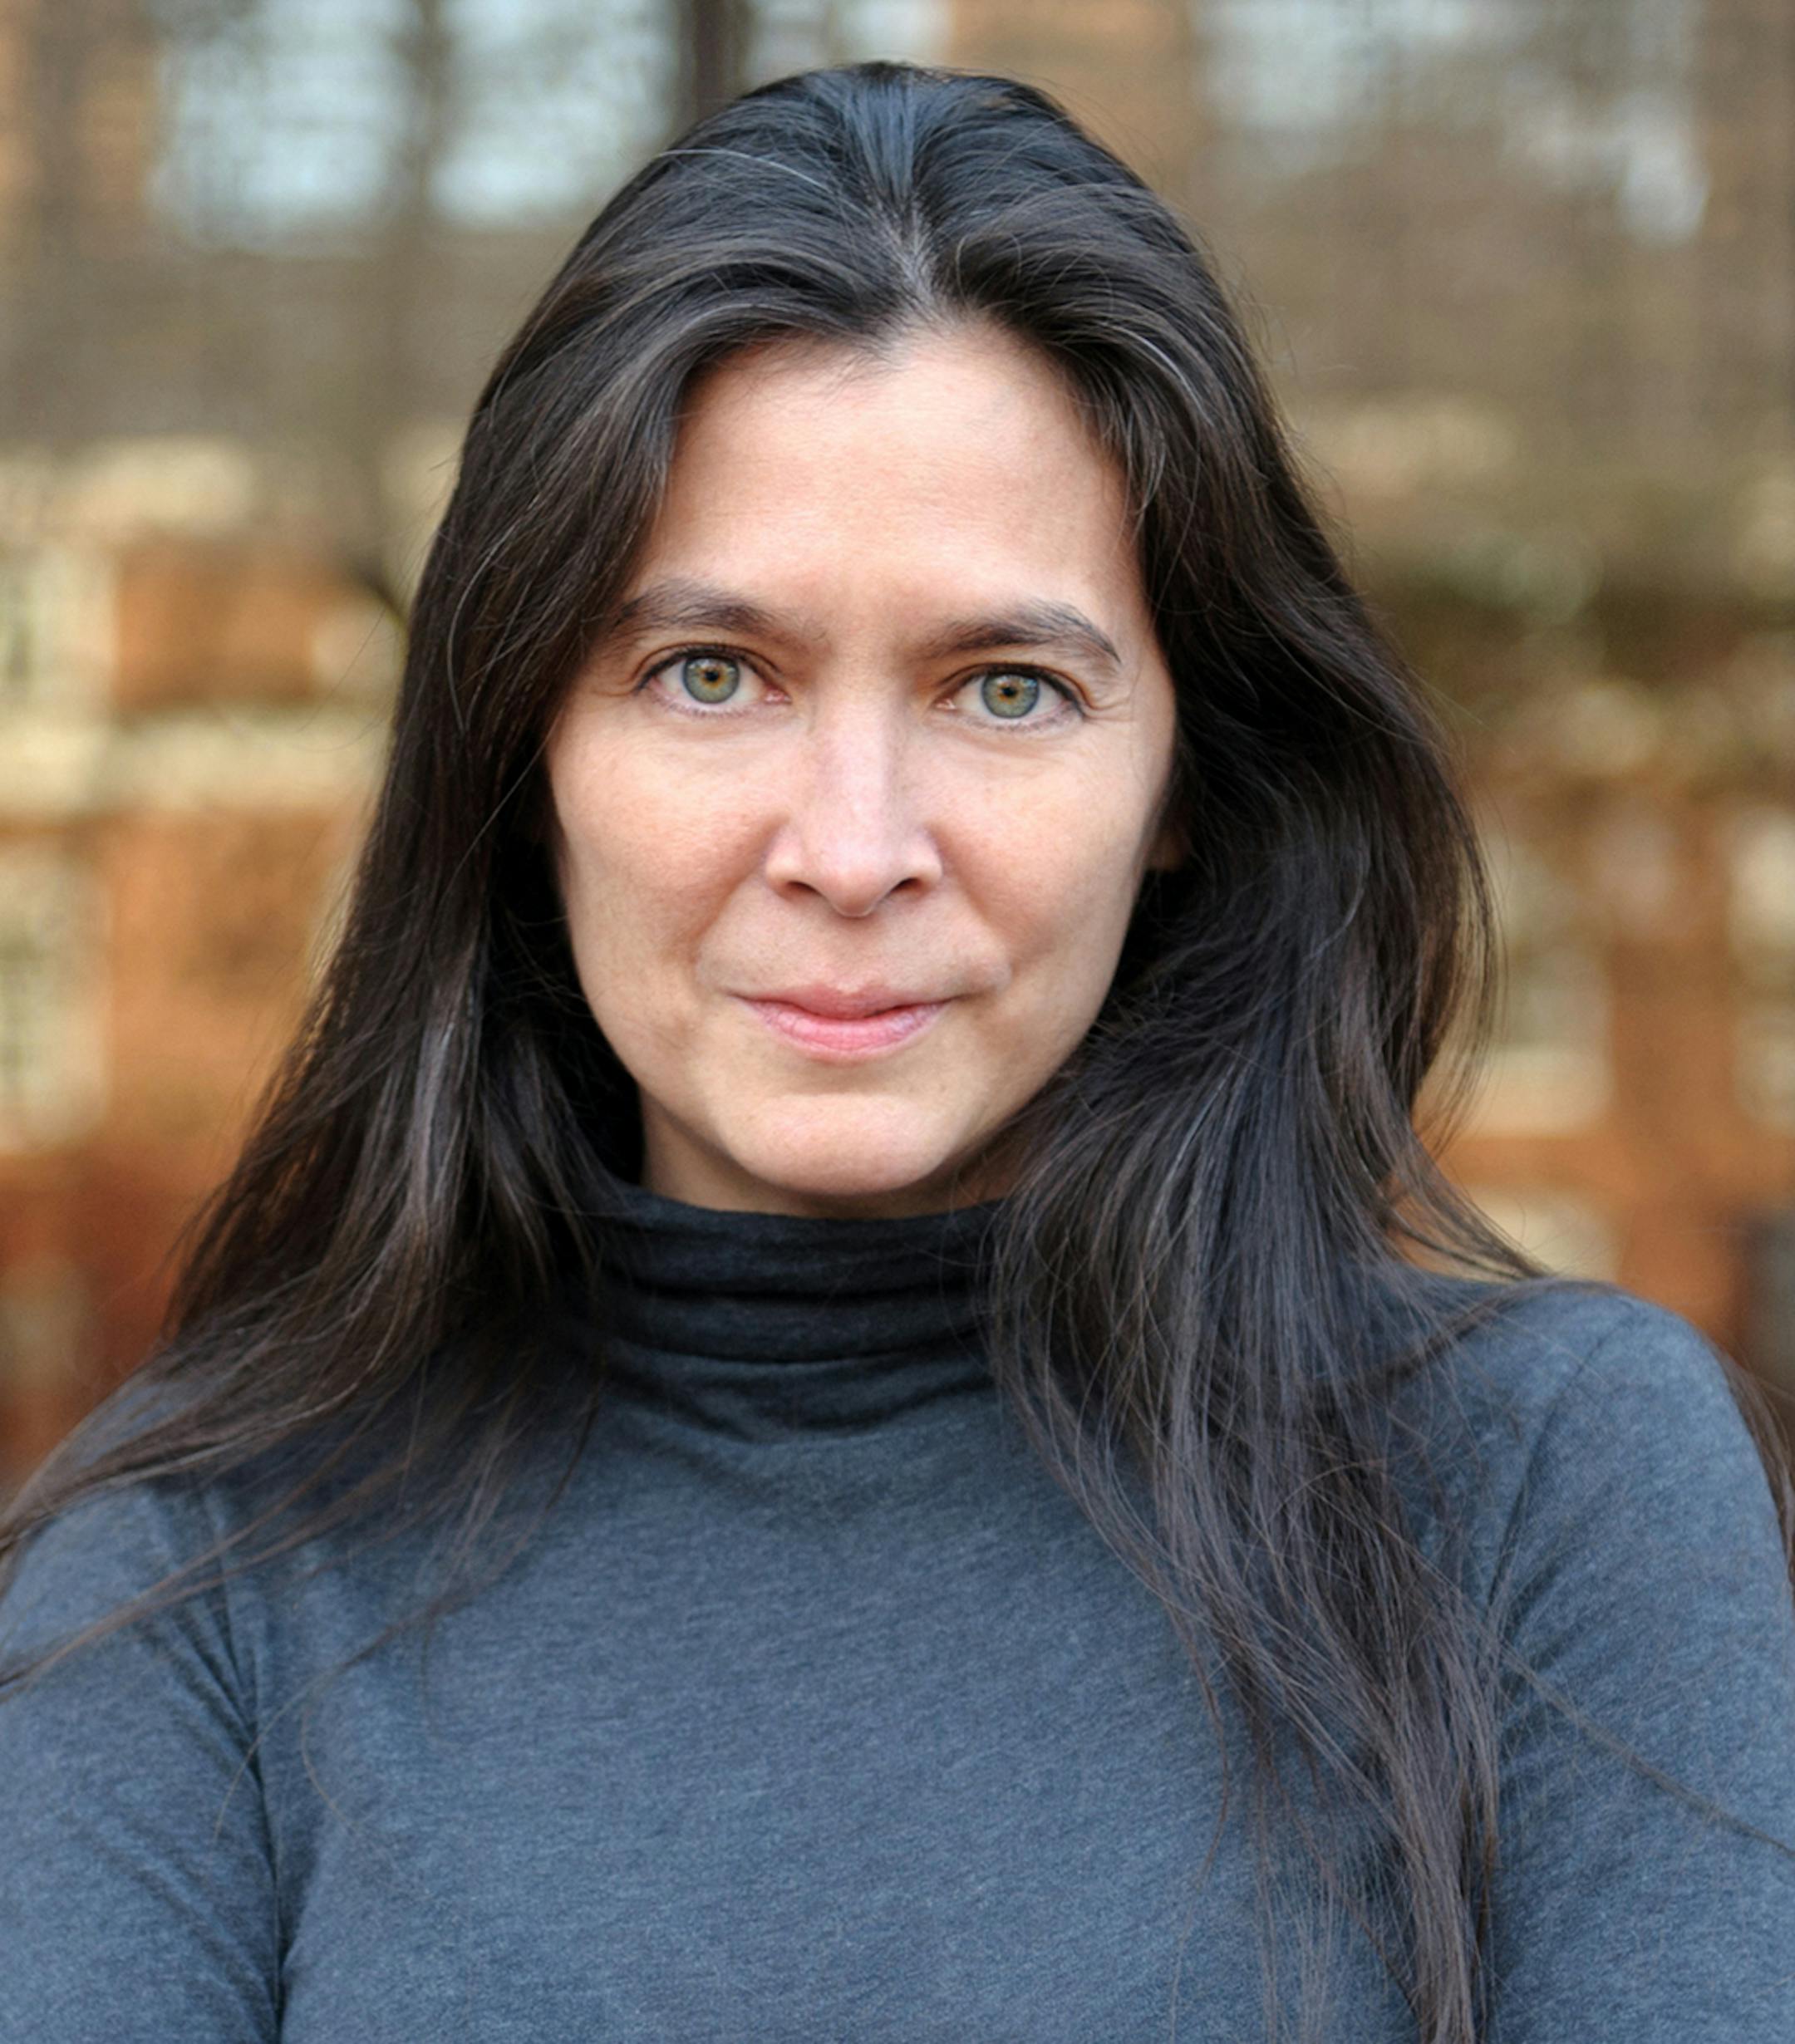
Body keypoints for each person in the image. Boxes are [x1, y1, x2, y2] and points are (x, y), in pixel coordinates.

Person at [2, 58, 1793, 2044]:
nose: (853, 851)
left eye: (1006, 690)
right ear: (528, 757)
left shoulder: (1543, 1494)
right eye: (710, 675)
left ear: (1187, 774)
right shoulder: (187, 1594)